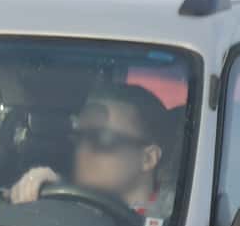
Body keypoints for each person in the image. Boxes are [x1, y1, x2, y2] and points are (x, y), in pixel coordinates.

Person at [10, 82, 172, 216]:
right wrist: (40, 193)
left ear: (148, 159)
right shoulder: (61, 196)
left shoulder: (176, 225)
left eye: (100, 139)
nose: (82, 150)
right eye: (78, 138)